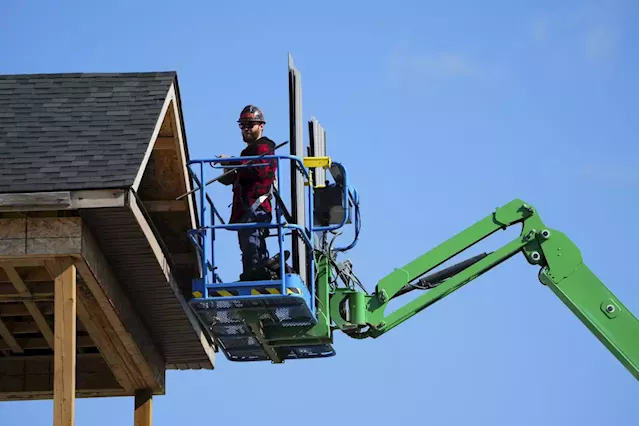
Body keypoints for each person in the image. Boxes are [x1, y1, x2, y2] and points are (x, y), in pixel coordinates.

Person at [218, 105, 277, 281]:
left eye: (250, 125)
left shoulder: (265, 146)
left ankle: (255, 276)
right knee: (248, 247)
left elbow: (259, 170)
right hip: (246, 209)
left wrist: (232, 162)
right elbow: (245, 173)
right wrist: (230, 170)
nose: (246, 129)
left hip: (256, 207)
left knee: (253, 246)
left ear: (261, 125)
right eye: (243, 125)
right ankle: (252, 275)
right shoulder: (249, 152)